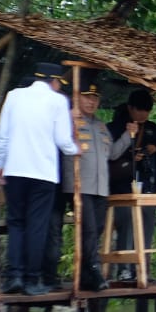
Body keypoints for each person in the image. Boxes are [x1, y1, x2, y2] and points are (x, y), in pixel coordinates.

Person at [0, 62, 79, 296]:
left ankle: (14, 276)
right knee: (36, 226)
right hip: (43, 173)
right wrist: (77, 149)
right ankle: (32, 280)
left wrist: (0, 166)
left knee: (16, 223)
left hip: (15, 170)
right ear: (54, 81)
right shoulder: (58, 101)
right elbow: (63, 140)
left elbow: (3, 137)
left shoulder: (13, 96)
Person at [45, 79, 134, 292]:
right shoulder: (68, 121)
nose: (91, 101)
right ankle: (93, 269)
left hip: (100, 187)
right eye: (87, 96)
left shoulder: (101, 126)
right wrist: (68, 116)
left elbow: (112, 153)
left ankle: (87, 273)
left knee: (99, 228)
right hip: (78, 186)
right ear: (77, 98)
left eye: (94, 98)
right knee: (89, 229)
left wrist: (128, 136)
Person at [106, 89, 156, 312]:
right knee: (126, 220)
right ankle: (125, 268)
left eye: (147, 112)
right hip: (120, 186)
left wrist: (151, 149)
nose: (144, 116)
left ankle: (143, 267)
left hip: (144, 186)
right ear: (131, 108)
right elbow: (111, 155)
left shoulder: (151, 129)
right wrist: (131, 153)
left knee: (148, 220)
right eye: (141, 112)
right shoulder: (114, 127)